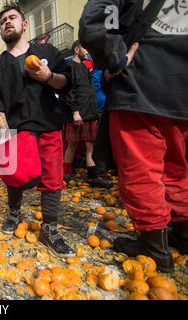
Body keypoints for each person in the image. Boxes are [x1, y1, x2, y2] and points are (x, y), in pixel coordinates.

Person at [79, 0, 188, 272]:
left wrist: (114, 57)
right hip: (182, 87)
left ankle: (154, 247)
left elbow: (95, 21)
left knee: (141, 168)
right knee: (178, 166)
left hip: (140, 82)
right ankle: (183, 234)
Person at [0, 4, 75, 257]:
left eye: (12, 17)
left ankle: (50, 228)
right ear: (0, 30)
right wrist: (3, 133)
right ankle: (14, 212)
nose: (7, 22)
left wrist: (48, 76)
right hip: (16, 130)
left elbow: (66, 81)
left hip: (48, 124)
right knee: (15, 174)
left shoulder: (46, 52)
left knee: (53, 179)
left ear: (24, 24)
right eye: (2, 20)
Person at [60, 41, 113, 189]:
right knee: (72, 145)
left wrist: (94, 115)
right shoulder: (69, 67)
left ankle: (93, 178)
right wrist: (75, 112)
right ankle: (66, 176)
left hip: (90, 114)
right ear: (77, 50)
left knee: (91, 147)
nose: (87, 52)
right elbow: (67, 92)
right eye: (85, 49)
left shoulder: (85, 68)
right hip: (76, 114)